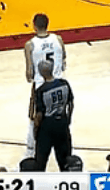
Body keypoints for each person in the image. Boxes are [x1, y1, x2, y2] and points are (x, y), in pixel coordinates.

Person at [24, 13, 66, 159]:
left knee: (34, 118)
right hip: (58, 84)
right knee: (59, 114)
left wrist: (31, 77)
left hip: (41, 87)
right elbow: (64, 61)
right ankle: (63, 145)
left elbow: (29, 74)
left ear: (34, 26)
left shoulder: (30, 45)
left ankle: (31, 150)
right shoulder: (58, 39)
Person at [33, 60, 74, 171]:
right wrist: (68, 118)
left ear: (41, 73)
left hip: (47, 127)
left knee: (41, 161)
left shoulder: (41, 91)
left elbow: (39, 114)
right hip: (62, 124)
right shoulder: (64, 84)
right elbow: (71, 103)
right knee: (65, 160)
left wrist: (36, 129)